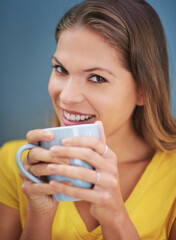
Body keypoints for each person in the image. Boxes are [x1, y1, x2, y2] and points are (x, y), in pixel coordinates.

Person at [0, 0, 176, 239]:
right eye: (61, 69)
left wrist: (115, 216)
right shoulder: (15, 164)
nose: (67, 96)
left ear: (143, 90)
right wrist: (39, 215)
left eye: (96, 78)